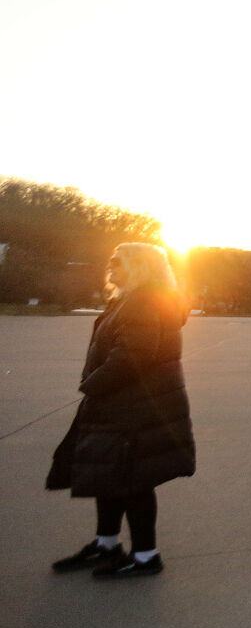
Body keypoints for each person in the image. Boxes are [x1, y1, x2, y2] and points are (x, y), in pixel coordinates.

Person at [47, 242, 195, 578]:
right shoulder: (132, 298)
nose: (110, 264)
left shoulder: (144, 301)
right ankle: (107, 544)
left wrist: (92, 385)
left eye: (119, 260)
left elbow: (133, 357)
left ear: (140, 266)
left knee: (132, 480)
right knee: (111, 475)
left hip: (133, 406)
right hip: (121, 405)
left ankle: (146, 557)